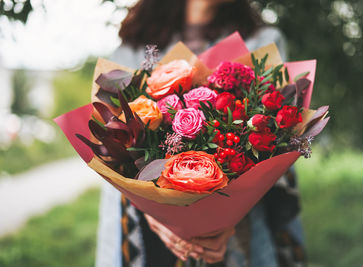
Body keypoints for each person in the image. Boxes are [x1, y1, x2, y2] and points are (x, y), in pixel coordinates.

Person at [95, 0, 306, 266]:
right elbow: (114, 145)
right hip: (144, 232)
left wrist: (224, 223)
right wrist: (156, 214)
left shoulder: (262, 40)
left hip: (238, 232)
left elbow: (280, 142)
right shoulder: (133, 47)